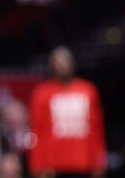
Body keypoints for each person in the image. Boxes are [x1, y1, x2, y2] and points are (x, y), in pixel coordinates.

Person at [28, 47, 106, 178]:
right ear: (51, 66)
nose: (62, 66)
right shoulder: (42, 94)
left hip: (82, 161)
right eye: (57, 62)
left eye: (65, 61)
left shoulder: (88, 91)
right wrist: (38, 165)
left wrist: (99, 162)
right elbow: (37, 131)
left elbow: (96, 129)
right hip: (53, 164)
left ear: (73, 63)